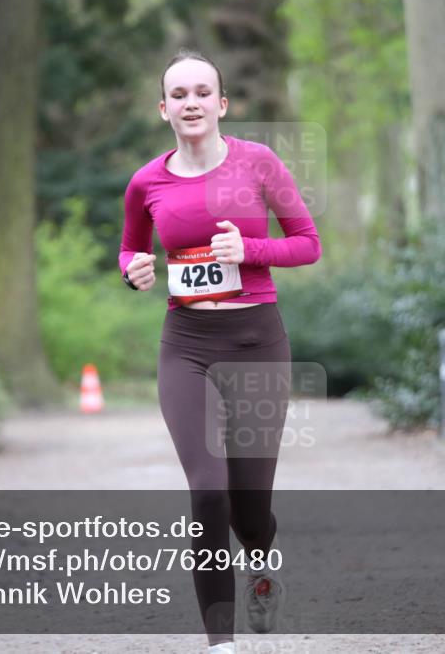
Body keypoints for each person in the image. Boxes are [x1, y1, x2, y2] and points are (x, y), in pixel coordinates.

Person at [119, 49, 321, 654]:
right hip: (186, 347)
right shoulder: (145, 181)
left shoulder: (259, 164)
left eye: (202, 92)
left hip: (258, 342)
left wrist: (250, 252)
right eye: (178, 94)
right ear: (163, 109)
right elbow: (129, 251)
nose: (191, 103)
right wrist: (136, 271)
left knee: (250, 505)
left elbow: (308, 244)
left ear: (222, 104)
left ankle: (261, 563)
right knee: (207, 491)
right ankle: (221, 643)